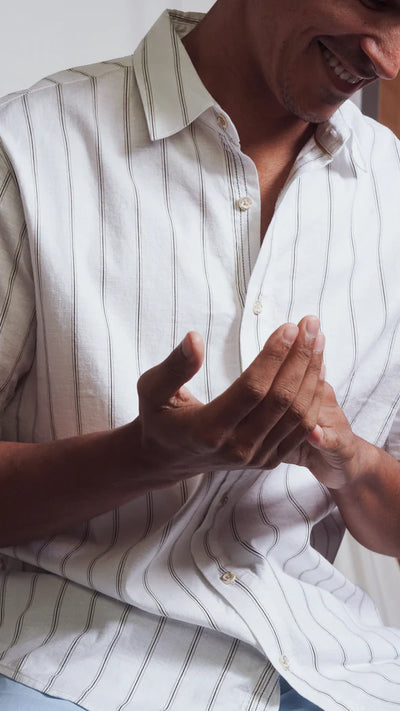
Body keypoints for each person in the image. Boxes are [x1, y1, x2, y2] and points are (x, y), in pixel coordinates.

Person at [1, 0, 400, 709]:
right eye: (379, 5)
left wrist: (353, 462)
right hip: (66, 668)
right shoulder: (29, 146)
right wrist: (142, 457)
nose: (390, 59)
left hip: (333, 675)